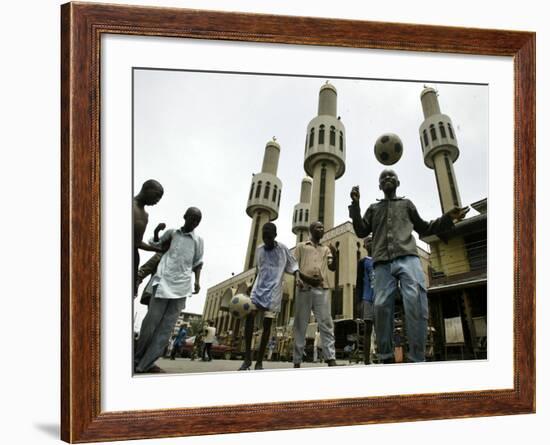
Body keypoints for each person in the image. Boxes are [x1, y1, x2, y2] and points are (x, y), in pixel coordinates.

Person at [348, 169, 469, 363]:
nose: (387, 178)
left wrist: (447, 218)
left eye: (391, 176)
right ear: (379, 186)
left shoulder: (407, 205)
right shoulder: (373, 208)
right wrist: (355, 205)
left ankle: (416, 358)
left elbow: (425, 227)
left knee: (415, 298)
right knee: (381, 305)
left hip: (408, 257)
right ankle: (386, 357)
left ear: (398, 182)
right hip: (382, 263)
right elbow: (361, 230)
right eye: (383, 178)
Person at [134, 207, 204, 373]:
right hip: (163, 282)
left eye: (197, 220)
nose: (194, 222)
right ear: (185, 216)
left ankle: (147, 363)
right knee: (150, 323)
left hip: (182, 286)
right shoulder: (172, 233)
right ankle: (136, 358)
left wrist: (197, 282)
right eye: (192, 218)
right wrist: (158, 232)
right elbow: (156, 245)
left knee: (166, 328)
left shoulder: (198, 241)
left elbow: (198, 262)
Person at [238, 223, 299, 371]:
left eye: (269, 237)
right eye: (264, 237)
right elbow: (259, 269)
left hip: (273, 293)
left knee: (267, 326)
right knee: (250, 318)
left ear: (275, 235)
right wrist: (252, 285)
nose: (266, 240)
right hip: (258, 290)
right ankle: (247, 359)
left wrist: (297, 278)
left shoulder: (283, 249)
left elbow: (294, 265)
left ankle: (259, 361)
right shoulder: (259, 250)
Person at [293, 221, 338, 368]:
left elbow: (332, 267)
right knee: (301, 324)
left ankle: (331, 358)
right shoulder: (301, 246)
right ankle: (297, 360)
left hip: (321, 289)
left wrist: (335, 254)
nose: (322, 229)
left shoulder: (326, 249)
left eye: (322, 227)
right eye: (318, 227)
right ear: (311, 230)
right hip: (304, 288)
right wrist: (307, 279)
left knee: (326, 323)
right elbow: (294, 268)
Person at [133, 179, 164, 295]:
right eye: (156, 196)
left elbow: (137, 243)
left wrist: (159, 249)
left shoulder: (145, 216)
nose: (157, 201)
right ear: (147, 189)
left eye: (159, 198)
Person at [356, 236, 375, 364]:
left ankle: (385, 357)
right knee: (368, 328)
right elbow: (359, 283)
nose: (370, 243)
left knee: (383, 328)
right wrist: (358, 302)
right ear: (364, 246)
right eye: (367, 242)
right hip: (367, 298)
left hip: (381, 298)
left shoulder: (381, 260)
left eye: (371, 240)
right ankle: (366, 360)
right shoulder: (363, 262)